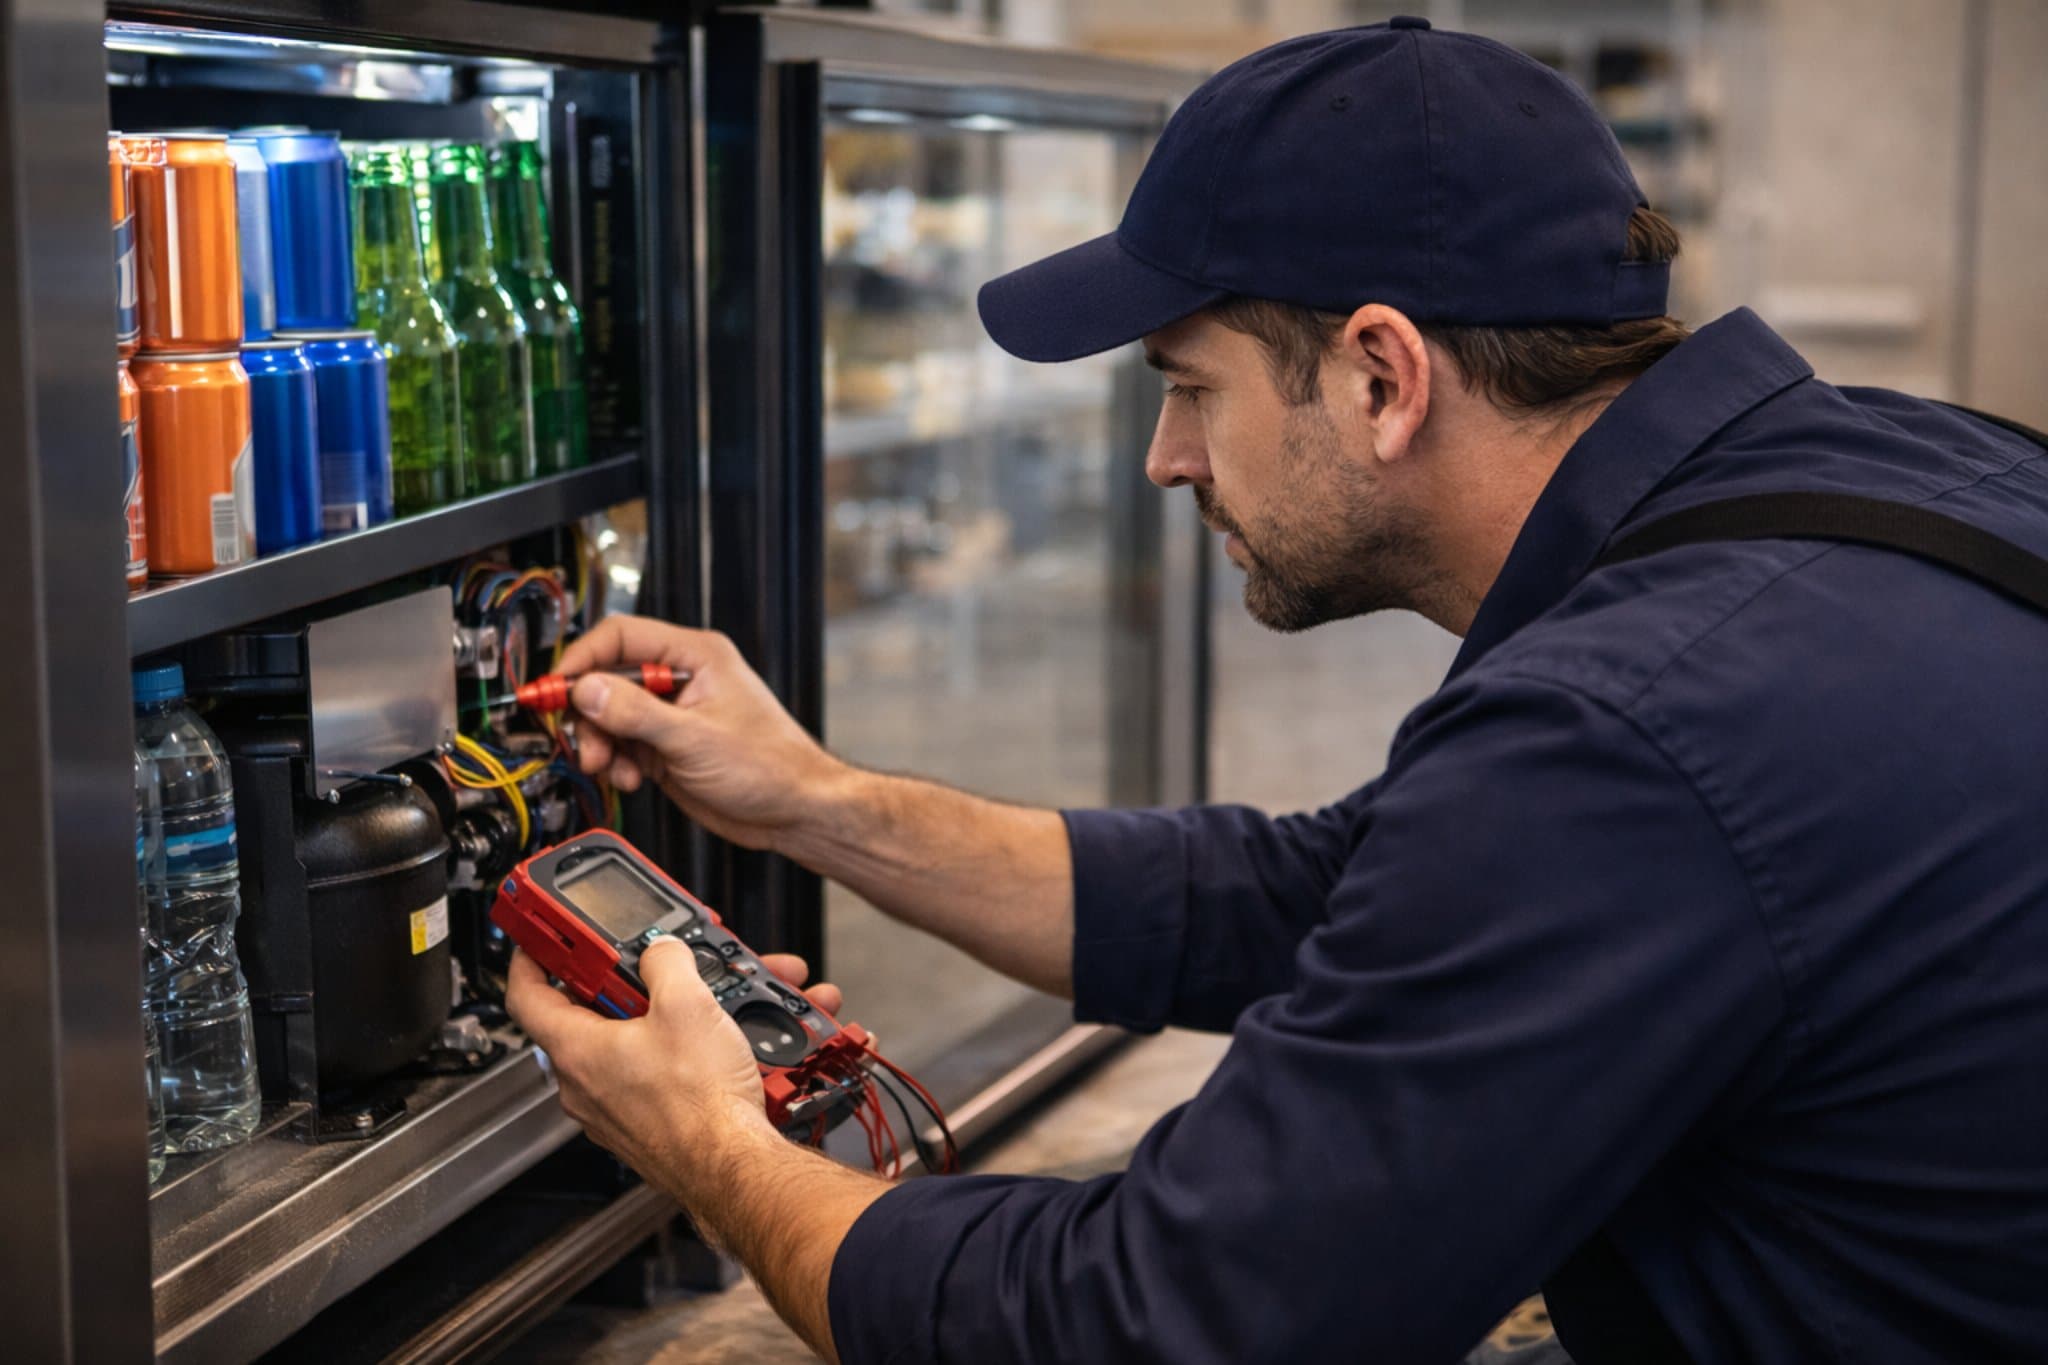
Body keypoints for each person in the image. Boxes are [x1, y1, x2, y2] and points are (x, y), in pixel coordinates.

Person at [505, 18, 2048, 1365]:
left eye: (1189, 388)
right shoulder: (1908, 464)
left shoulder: (1636, 729)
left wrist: (710, 1145)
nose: (1167, 459)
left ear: (1383, 376)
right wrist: (813, 803)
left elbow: (1160, 1326)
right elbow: (1326, 891)